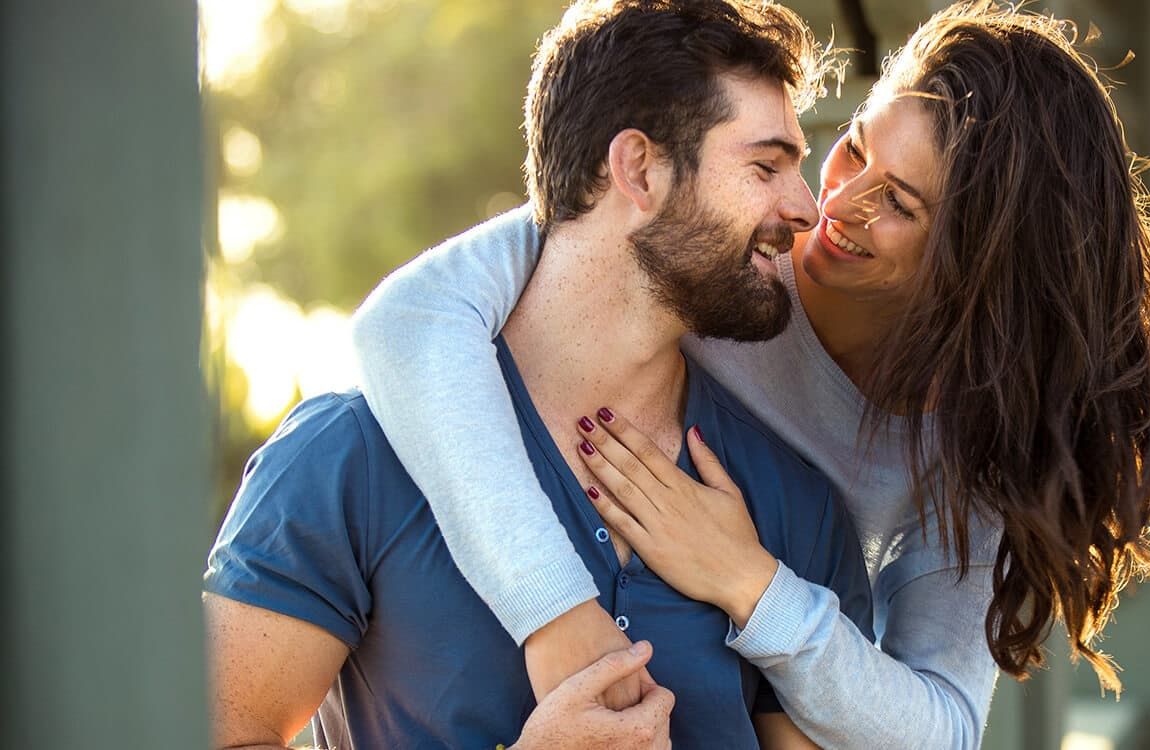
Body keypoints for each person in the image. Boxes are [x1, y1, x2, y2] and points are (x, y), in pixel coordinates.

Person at [352, 1, 1150, 747]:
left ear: (979, 265)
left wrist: (748, 582)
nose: (832, 205)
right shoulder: (717, 239)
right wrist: (556, 615)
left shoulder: (960, 444)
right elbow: (409, 320)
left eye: (901, 204)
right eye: (854, 150)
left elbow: (943, 727)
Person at [203, 1, 872, 748]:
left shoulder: (794, 504)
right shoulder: (349, 458)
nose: (806, 207)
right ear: (638, 168)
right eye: (765, 165)